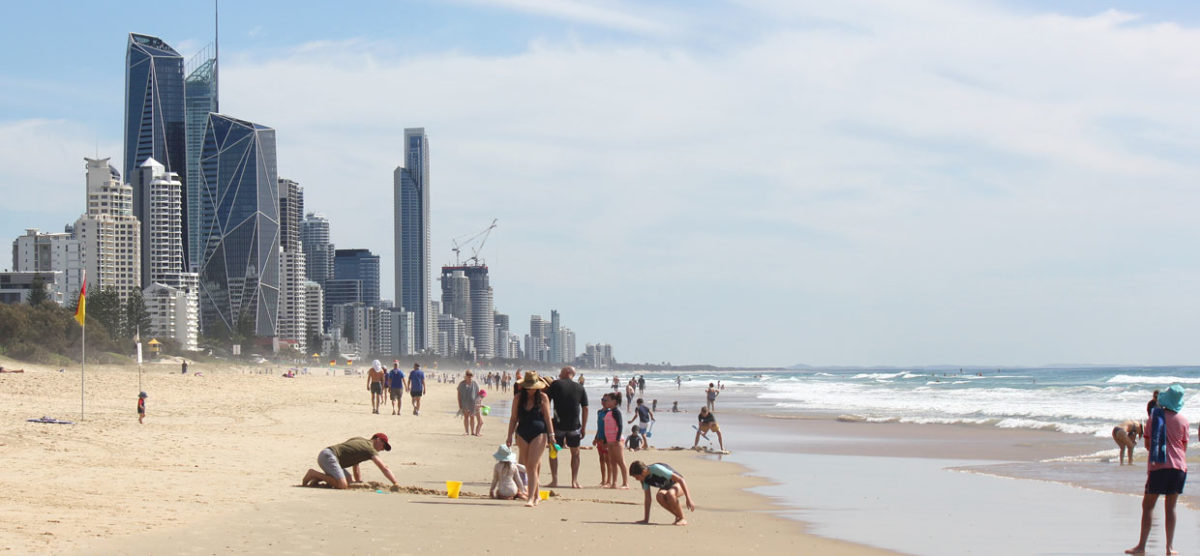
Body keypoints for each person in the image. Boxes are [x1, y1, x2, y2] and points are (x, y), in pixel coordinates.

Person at [1126, 384, 1189, 555]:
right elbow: (1184, 447)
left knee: (1148, 506)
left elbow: (1148, 444)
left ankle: (1141, 547)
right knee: (1171, 508)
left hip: (1159, 466)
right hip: (1179, 468)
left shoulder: (1155, 417)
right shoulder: (1183, 420)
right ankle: (1169, 548)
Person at [506, 371, 555, 507]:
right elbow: (513, 418)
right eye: (528, 387)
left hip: (539, 433)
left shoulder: (543, 398)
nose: (530, 390)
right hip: (522, 433)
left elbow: (547, 418)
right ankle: (537, 494)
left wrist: (552, 435)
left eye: (533, 387)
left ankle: (531, 498)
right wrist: (509, 435)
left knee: (532, 464)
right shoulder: (518, 398)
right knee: (528, 466)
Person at [301, 433, 399, 489]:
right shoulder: (369, 449)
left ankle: (316, 480)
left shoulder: (360, 440)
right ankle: (313, 474)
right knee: (342, 485)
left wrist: (358, 481)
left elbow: (356, 464)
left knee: (349, 481)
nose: (382, 449)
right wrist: (395, 483)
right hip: (329, 457)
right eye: (383, 446)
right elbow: (384, 467)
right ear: (377, 439)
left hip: (327, 455)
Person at [546, 366, 589, 489]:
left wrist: (547, 421)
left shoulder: (556, 384)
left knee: (553, 452)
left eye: (561, 371)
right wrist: (584, 427)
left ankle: (554, 480)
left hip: (558, 425)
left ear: (567, 372)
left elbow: (546, 402)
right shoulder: (580, 387)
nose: (559, 373)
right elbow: (585, 408)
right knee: (575, 453)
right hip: (574, 425)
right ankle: (574, 481)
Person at [630, 460, 694, 526]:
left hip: (678, 484)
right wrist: (646, 519)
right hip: (667, 486)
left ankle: (682, 518)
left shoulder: (656, 469)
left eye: (636, 477)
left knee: (670, 494)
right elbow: (648, 498)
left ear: (643, 472)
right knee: (659, 496)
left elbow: (680, 480)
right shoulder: (644, 479)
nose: (636, 479)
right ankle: (679, 516)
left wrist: (688, 499)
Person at [599, 392, 628, 488]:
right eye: (605, 400)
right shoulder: (609, 412)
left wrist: (617, 438)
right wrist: (606, 441)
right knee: (612, 462)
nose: (606, 402)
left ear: (614, 402)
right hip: (609, 440)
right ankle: (614, 483)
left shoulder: (616, 412)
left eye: (608, 400)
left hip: (617, 440)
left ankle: (625, 483)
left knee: (620, 461)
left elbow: (620, 425)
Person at [458, 371, 481, 436]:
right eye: (468, 376)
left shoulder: (475, 383)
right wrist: (459, 404)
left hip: (473, 403)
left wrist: (478, 403)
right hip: (464, 403)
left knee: (472, 417)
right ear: (466, 376)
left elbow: (478, 394)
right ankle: (466, 431)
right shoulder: (461, 384)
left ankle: (472, 431)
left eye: (471, 376)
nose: (470, 377)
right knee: (466, 417)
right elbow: (459, 394)